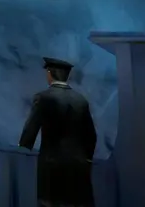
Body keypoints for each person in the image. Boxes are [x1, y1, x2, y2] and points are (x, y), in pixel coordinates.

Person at [18, 56, 98, 207]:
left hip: (52, 165)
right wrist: (86, 159)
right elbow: (91, 135)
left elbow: (30, 129)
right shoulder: (81, 100)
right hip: (78, 167)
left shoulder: (43, 98)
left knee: (50, 203)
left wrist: (23, 147)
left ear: (49, 73)